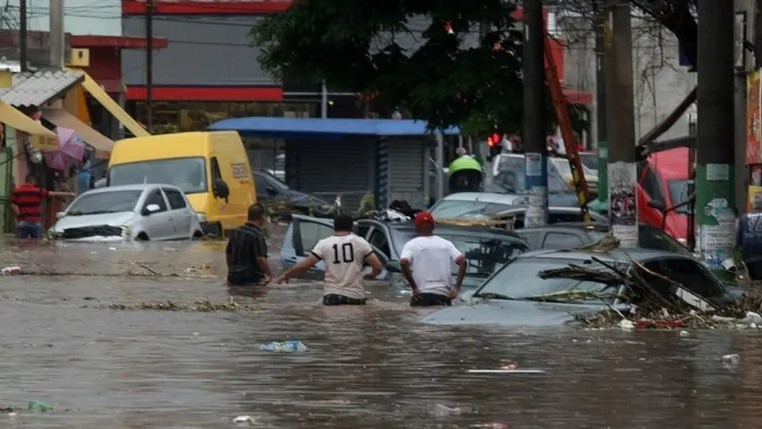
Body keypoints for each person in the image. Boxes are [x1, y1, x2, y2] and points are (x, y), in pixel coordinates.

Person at [277, 214, 383, 306]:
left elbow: (304, 266)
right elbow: (378, 266)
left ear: (334, 226)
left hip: (332, 297)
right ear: (351, 227)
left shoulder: (324, 244)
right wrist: (372, 275)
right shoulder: (360, 242)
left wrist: (287, 275)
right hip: (356, 297)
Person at [400, 212, 467, 306]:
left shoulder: (411, 245)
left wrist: (414, 288)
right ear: (433, 226)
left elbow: (403, 262)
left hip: (421, 296)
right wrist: (456, 288)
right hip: (443, 295)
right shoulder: (446, 244)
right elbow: (463, 261)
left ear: (416, 227)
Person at [11, 174, 75, 239]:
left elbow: (13, 204)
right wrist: (69, 194)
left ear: (26, 181)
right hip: (35, 222)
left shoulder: (17, 191)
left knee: (21, 243)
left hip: (22, 221)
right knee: (37, 243)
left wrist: (18, 215)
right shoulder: (38, 191)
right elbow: (53, 193)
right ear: (33, 181)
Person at [226, 204, 273, 286]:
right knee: (258, 293)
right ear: (262, 217)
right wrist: (270, 275)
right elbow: (260, 258)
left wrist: (231, 270)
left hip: (233, 277)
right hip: (252, 278)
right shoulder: (257, 235)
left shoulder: (235, 231)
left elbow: (228, 253)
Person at [737, 193, 762, 280]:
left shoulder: (743, 218)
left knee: (754, 280)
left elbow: (739, 240)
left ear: (752, 204)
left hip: (749, 256)